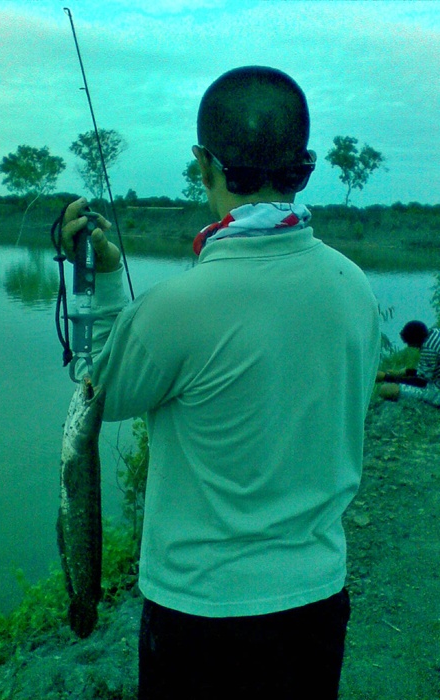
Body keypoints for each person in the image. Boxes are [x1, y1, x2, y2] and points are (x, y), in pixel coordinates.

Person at [61, 66, 380, 699]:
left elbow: (95, 395)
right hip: (318, 603)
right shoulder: (356, 288)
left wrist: (94, 279)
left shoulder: (175, 306)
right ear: (305, 167)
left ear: (203, 164)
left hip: (199, 616)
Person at [377, 320, 440, 407]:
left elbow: (421, 382)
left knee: (386, 390)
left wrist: (386, 377)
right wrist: (403, 373)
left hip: (437, 391)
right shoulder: (435, 333)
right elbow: (426, 371)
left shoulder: (429, 350)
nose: (409, 346)